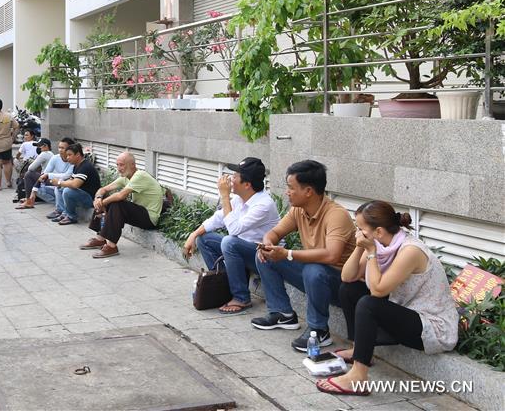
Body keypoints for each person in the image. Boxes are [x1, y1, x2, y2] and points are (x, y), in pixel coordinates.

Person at [315, 201, 458, 396]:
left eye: (361, 229)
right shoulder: (382, 246)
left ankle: (358, 377)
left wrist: (371, 252)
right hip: (405, 313)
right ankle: (359, 350)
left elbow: (378, 291)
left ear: (379, 232)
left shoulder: (410, 251)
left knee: (369, 304)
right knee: (349, 289)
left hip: (432, 327)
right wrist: (360, 248)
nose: (358, 233)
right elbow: (347, 277)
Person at [251, 160, 356, 352]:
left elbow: (332, 255)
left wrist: (288, 254)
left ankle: (319, 330)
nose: (286, 192)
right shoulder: (298, 210)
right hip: (314, 278)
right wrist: (267, 243)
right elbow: (274, 233)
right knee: (265, 255)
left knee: (313, 270)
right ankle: (281, 312)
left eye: (291, 188)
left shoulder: (336, 215)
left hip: (342, 285)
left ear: (308, 191)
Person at [182, 157, 279, 314]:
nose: (230, 179)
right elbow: (217, 219)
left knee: (229, 241)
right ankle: (223, 288)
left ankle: (241, 298)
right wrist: (193, 235)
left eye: (235, 176)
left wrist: (225, 196)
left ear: (247, 185)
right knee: (204, 239)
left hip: (264, 257)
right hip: (243, 249)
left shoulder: (263, 204)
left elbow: (234, 230)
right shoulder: (241, 198)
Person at [80, 152, 163, 258]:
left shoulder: (140, 176)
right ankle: (100, 239)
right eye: (117, 165)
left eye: (122, 164)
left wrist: (101, 203)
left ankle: (111, 246)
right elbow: (103, 189)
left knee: (117, 203)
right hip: (140, 213)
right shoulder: (125, 178)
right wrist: (98, 198)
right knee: (106, 197)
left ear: (132, 165)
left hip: (150, 218)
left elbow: (121, 195)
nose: (119, 168)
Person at [50, 143, 100, 225]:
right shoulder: (76, 166)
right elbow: (71, 180)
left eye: (70, 155)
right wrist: (60, 184)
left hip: (90, 199)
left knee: (67, 191)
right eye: (67, 155)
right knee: (60, 188)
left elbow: (75, 184)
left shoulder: (85, 166)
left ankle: (71, 217)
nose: (67, 158)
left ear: (78, 155)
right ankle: (63, 212)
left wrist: (59, 182)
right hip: (82, 195)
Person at [14, 138, 53, 209]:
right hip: (50, 179)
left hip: (49, 180)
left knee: (28, 174)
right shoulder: (51, 154)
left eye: (39, 146)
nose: (38, 148)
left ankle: (29, 201)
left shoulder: (44, 154)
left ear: (45, 146)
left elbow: (30, 168)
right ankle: (30, 198)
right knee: (34, 175)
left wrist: (36, 160)